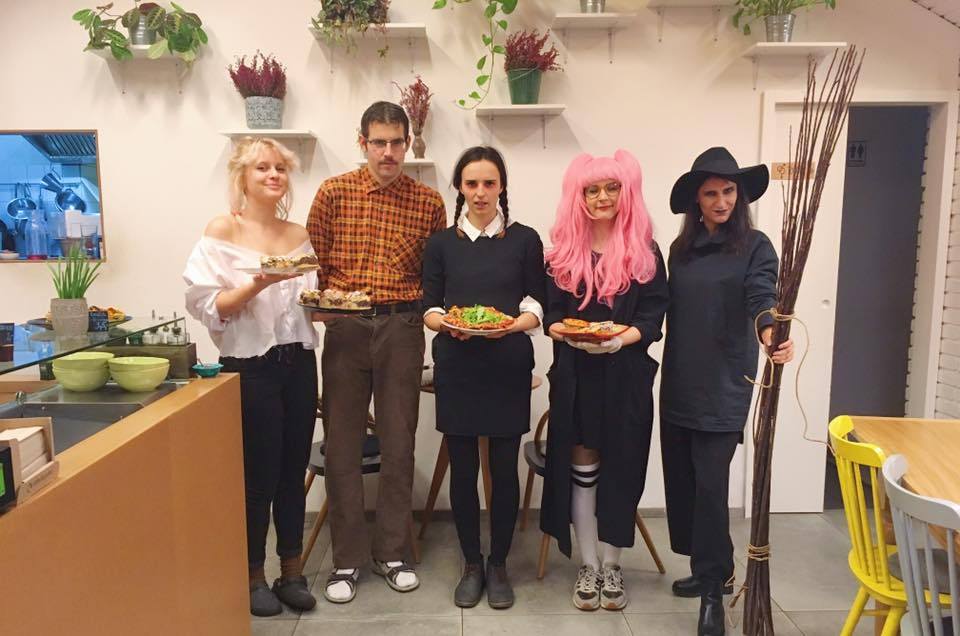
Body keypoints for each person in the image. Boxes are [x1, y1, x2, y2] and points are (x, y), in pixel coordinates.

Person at [307, 101, 446, 604]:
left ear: (408, 144)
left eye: (396, 142)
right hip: (345, 327)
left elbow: (434, 275)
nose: (388, 152)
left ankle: (393, 552)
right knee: (342, 444)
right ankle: (346, 560)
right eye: (379, 142)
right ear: (362, 142)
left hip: (402, 326)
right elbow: (312, 262)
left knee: (399, 442)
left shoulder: (428, 202)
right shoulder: (333, 193)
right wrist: (322, 308)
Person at [660, 146, 794, 636]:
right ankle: (709, 568)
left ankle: (714, 591)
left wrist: (769, 333)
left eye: (729, 191)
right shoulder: (680, 251)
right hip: (679, 380)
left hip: (723, 386)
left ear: (740, 195)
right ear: (696, 201)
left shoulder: (755, 247)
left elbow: (762, 296)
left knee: (711, 488)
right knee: (684, 485)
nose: (721, 201)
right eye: (711, 193)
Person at [183, 137, 319, 616]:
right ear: (242, 175)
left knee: (293, 470)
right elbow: (208, 305)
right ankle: (253, 575)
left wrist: (335, 309)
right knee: (258, 475)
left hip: (299, 362)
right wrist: (258, 283)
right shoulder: (223, 229)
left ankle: (292, 571)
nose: (273, 175)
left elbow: (308, 304)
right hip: (250, 365)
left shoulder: (298, 233)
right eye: (262, 167)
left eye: (280, 167)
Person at [540, 150, 669, 611]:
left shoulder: (646, 252)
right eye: (591, 189)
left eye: (611, 188)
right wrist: (571, 334)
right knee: (583, 470)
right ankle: (589, 565)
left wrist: (619, 339)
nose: (601, 197)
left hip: (627, 378)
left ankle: (613, 565)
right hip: (576, 379)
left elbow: (653, 317)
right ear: (577, 196)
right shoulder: (560, 254)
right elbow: (552, 316)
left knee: (623, 469)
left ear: (626, 192)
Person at [421, 146, 546, 609]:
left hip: (508, 362)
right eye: (471, 183)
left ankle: (499, 565)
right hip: (457, 363)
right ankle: (471, 563)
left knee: (504, 468)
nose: (480, 192)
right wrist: (447, 324)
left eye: (489, 183)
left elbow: (537, 302)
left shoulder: (525, 240)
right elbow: (430, 307)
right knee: (463, 468)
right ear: (459, 187)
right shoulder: (441, 244)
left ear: (501, 187)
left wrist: (512, 325)